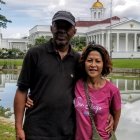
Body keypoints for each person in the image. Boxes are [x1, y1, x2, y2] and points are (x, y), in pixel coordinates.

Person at [14, 10, 114, 140]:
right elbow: (22, 90)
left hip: (67, 132)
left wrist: (107, 112)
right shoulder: (35, 54)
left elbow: (94, 86)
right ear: (51, 29)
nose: (62, 30)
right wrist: (18, 128)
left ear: (74, 31)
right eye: (58, 26)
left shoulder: (79, 60)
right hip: (36, 130)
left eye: (66, 27)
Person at [74, 44, 121, 140]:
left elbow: (115, 122)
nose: (93, 65)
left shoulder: (113, 90)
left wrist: (110, 117)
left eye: (98, 61)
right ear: (84, 63)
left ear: (104, 64)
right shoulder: (77, 84)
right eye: (89, 60)